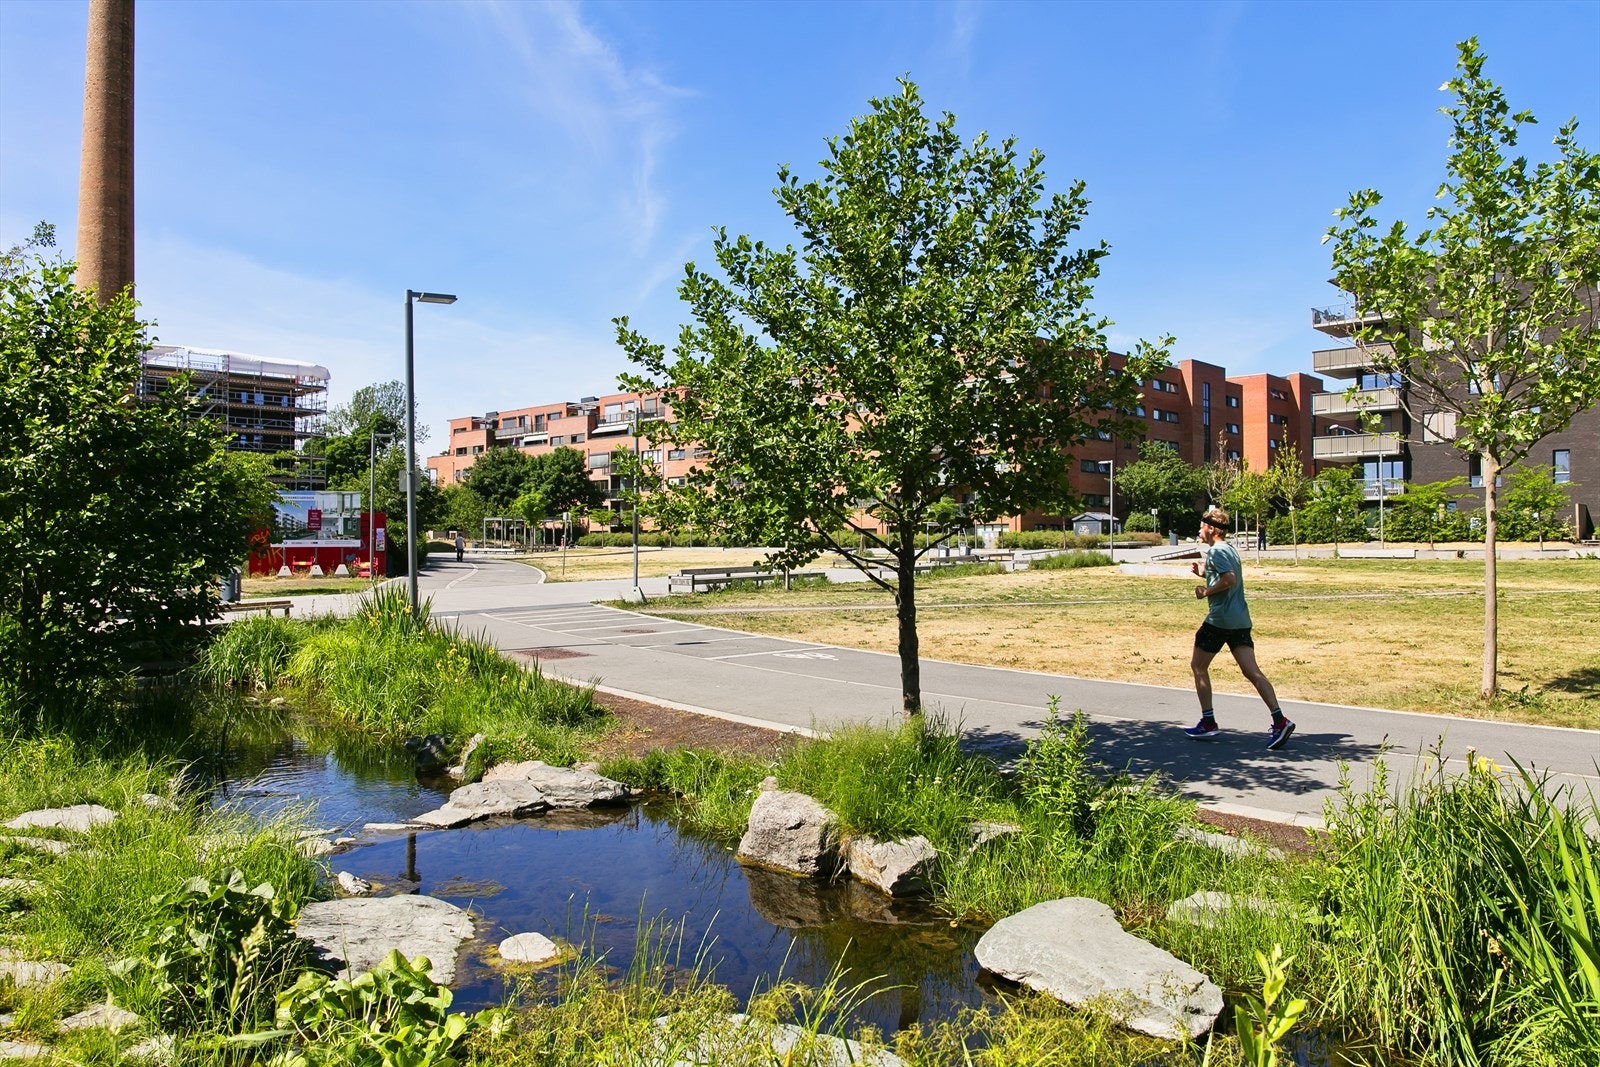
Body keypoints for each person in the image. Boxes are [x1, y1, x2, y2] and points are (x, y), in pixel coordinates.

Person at [1184, 507, 1294, 749]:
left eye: (1201, 527)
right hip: (1240, 620)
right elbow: (1225, 577)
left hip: (1220, 620)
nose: (1199, 531)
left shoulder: (1216, 551)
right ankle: (1280, 720)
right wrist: (1203, 574)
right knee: (1252, 671)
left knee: (1198, 666)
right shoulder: (1230, 549)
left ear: (1211, 529)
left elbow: (1229, 579)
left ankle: (1208, 722)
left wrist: (1206, 591)